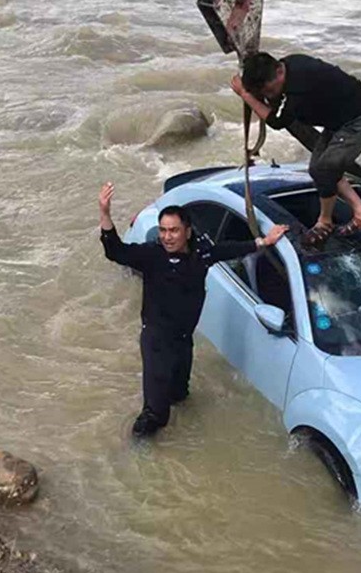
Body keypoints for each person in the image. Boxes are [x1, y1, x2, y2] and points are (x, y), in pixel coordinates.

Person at [99, 182, 288, 437]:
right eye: (163, 230)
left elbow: (228, 249)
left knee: (180, 395)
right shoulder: (151, 255)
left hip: (183, 338)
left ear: (187, 232)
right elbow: (115, 251)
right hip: (157, 340)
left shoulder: (202, 252)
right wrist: (105, 213)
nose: (167, 237)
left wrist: (264, 241)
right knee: (156, 414)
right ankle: (137, 450)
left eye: (173, 231)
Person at [230, 51, 361, 245]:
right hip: (339, 119)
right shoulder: (290, 63)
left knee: (325, 170)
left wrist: (245, 95)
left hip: (360, 119)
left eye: (270, 91)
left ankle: (325, 221)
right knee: (318, 169)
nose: (268, 96)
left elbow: (276, 121)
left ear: (279, 71)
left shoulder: (298, 91)